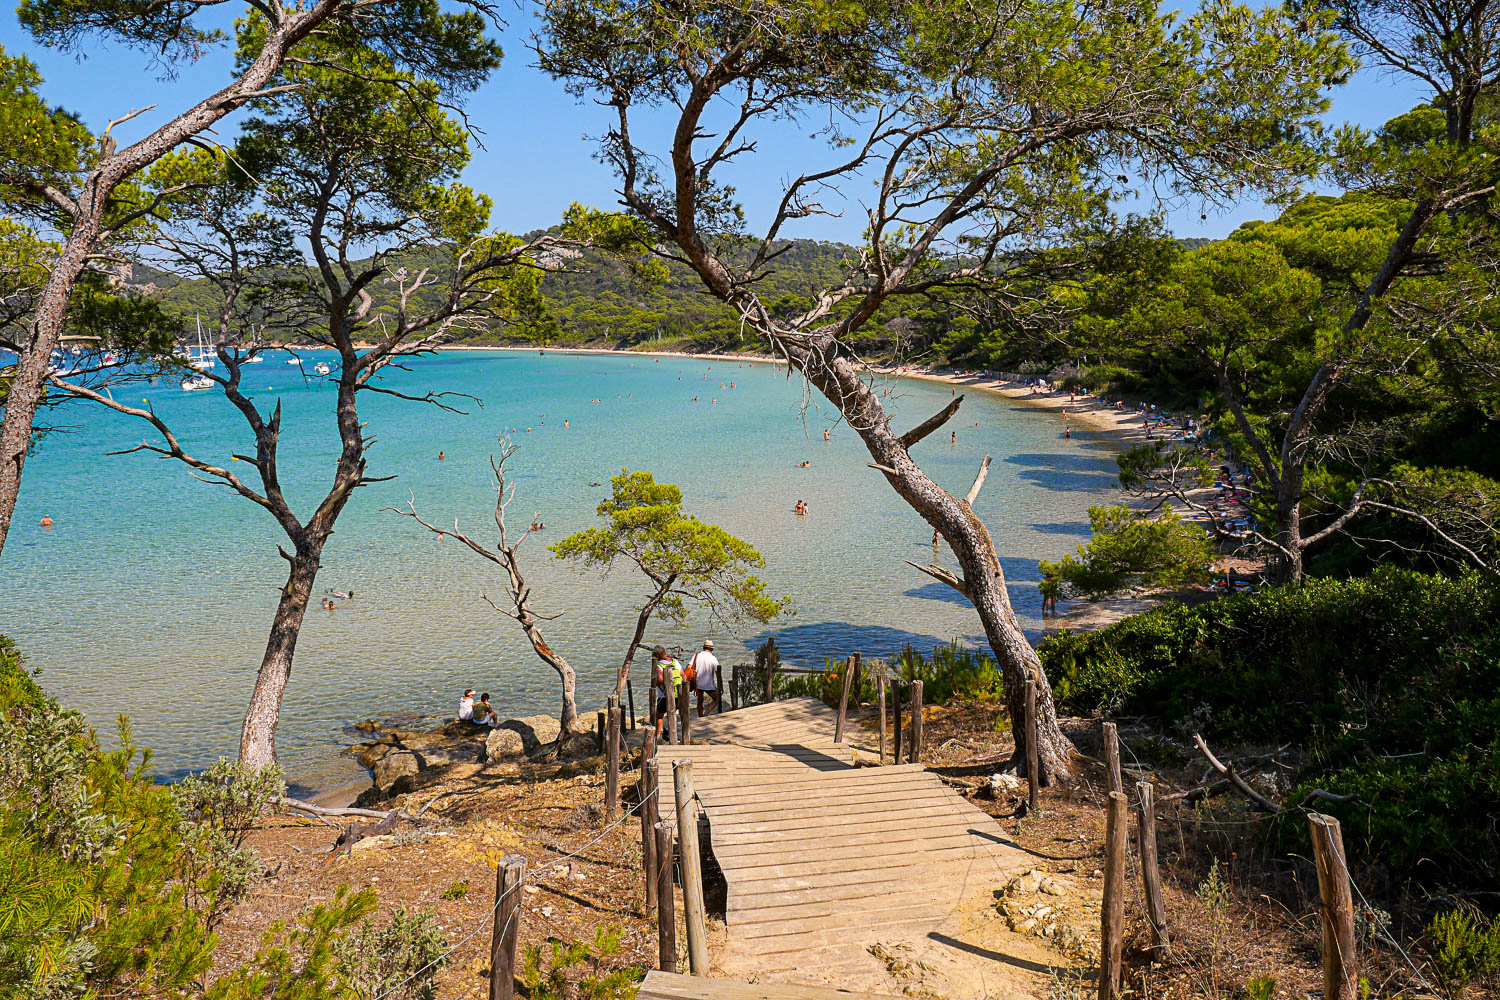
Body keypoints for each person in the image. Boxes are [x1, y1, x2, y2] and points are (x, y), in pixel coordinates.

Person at [652, 646, 685, 740]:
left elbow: (660, 680)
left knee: (659, 715)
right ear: (665, 653)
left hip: (664, 696)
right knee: (676, 712)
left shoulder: (658, 665)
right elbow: (684, 676)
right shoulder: (675, 662)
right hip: (678, 694)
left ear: (656, 656)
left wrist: (655, 682)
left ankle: (658, 735)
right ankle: (679, 732)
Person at [691, 640, 721, 717]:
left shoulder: (696, 656)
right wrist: (720, 686)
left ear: (703, 647)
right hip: (709, 684)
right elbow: (717, 673)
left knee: (699, 701)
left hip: (698, 683)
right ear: (712, 649)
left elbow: (689, 667)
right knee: (717, 699)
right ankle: (706, 713)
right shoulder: (713, 658)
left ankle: (700, 716)